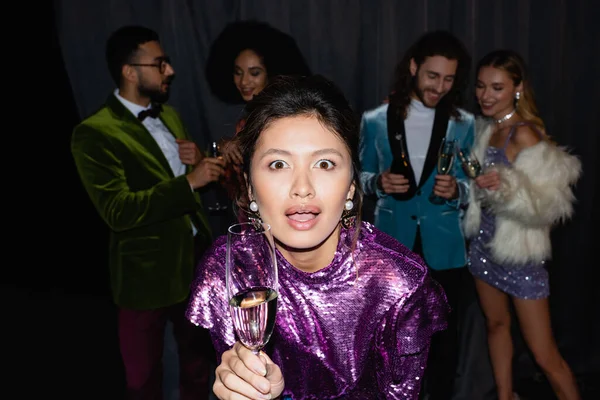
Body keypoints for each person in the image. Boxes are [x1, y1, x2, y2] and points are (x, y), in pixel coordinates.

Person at [186, 74, 449, 399]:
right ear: (250, 186)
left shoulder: (397, 284)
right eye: (279, 164)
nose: (302, 188)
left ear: (352, 184)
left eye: (324, 163)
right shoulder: (231, 270)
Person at [70, 25, 224, 399]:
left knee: (198, 366)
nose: (169, 70)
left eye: (167, 62)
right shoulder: (94, 132)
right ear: (129, 70)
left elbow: (186, 180)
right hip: (144, 276)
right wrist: (189, 183)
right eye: (160, 63)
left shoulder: (169, 115)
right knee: (142, 380)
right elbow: (118, 210)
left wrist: (197, 164)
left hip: (192, 264)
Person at [359, 30, 494, 399]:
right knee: (388, 336)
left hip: (445, 247)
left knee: (443, 341)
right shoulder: (375, 119)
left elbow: (476, 185)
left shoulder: (464, 123)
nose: (440, 86)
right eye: (433, 76)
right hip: (392, 245)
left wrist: (460, 190)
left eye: (449, 79)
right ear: (414, 67)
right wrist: (379, 183)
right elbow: (357, 177)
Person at [464, 49, 582, 400]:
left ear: (517, 88)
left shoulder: (525, 135)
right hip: (484, 248)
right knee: (497, 326)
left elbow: (549, 207)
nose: (486, 95)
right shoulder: (486, 129)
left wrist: (507, 185)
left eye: (497, 87)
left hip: (520, 259)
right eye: (481, 86)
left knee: (545, 355)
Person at [205, 20, 312, 217]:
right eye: (238, 73)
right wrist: (224, 151)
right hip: (250, 222)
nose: (244, 82)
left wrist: (241, 145)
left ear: (272, 74)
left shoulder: (286, 117)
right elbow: (236, 190)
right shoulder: (244, 121)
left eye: (254, 73)